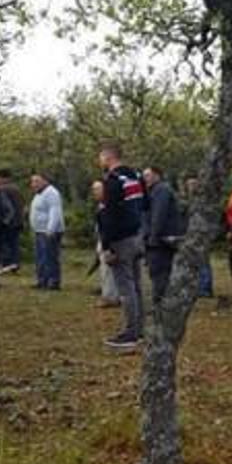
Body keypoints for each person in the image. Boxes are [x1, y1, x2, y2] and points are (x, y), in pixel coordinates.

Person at [98, 143, 146, 350]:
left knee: (126, 289)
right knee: (135, 286)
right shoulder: (135, 176)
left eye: (100, 157)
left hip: (120, 239)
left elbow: (110, 215)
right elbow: (145, 205)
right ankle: (139, 329)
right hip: (136, 236)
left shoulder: (113, 180)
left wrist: (107, 246)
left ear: (108, 157)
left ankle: (130, 333)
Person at [143, 166, 183, 309]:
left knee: (160, 271)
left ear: (157, 176)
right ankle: (161, 300)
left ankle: (160, 302)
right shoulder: (153, 191)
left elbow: (158, 216)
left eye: (148, 175)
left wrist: (152, 238)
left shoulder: (161, 190)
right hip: (159, 239)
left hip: (162, 240)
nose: (145, 178)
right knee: (158, 271)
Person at [29, 172, 65, 291]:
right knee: (40, 257)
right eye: (33, 181)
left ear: (45, 181)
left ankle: (53, 281)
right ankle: (42, 280)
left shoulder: (51, 193)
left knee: (49, 257)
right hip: (39, 230)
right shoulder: (39, 193)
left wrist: (51, 229)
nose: (34, 184)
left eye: (37, 181)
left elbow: (55, 211)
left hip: (48, 231)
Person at [184, 177, 214, 302]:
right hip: (191, 235)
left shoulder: (203, 201)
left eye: (194, 184)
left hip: (202, 235)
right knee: (193, 262)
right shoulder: (188, 201)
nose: (191, 186)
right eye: (189, 184)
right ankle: (197, 286)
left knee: (204, 262)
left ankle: (206, 289)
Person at [91, 180, 120, 307]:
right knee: (104, 270)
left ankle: (111, 297)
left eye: (98, 189)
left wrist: (108, 246)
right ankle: (107, 294)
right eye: (94, 189)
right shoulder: (100, 205)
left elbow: (109, 227)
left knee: (109, 271)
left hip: (110, 243)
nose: (95, 192)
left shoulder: (110, 205)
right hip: (102, 241)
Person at [0, 168, 25, 274]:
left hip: (8, 221)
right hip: (18, 220)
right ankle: (15, 263)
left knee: (4, 243)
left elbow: (4, 207)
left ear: (2, 178)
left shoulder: (2, 189)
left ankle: (6, 264)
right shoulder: (16, 188)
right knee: (14, 244)